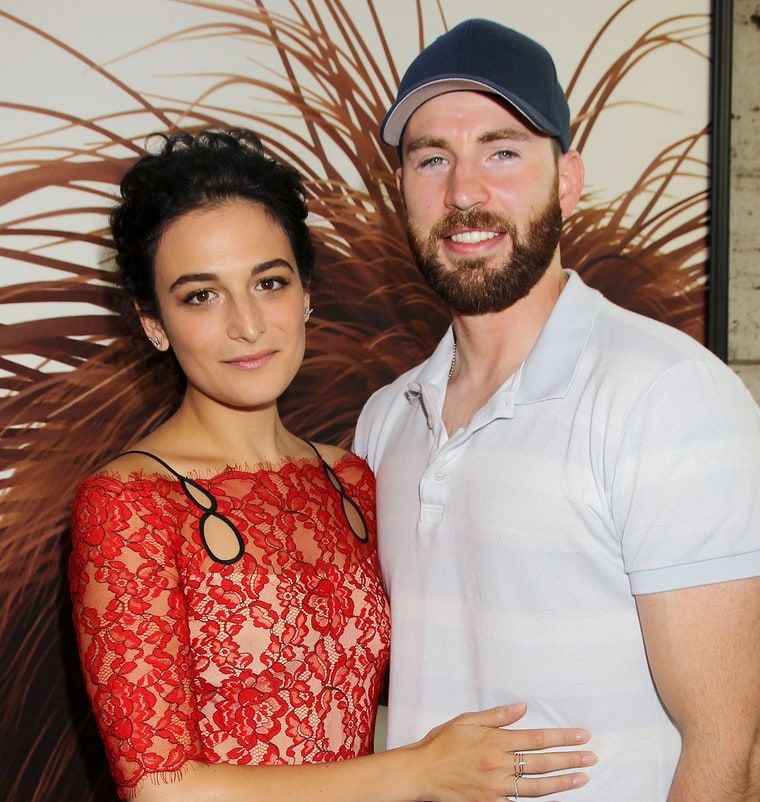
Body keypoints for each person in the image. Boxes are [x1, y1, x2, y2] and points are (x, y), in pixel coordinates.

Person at [68, 129, 597, 802]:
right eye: (201, 295)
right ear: (153, 321)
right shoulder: (127, 505)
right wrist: (421, 770)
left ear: (306, 292)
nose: (249, 325)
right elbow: (159, 786)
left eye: (269, 282)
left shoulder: (351, 478)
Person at [354, 18, 760, 801]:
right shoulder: (386, 420)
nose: (464, 192)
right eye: (431, 158)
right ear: (402, 189)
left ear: (567, 180)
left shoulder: (666, 395)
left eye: (502, 151)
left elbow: (728, 756)